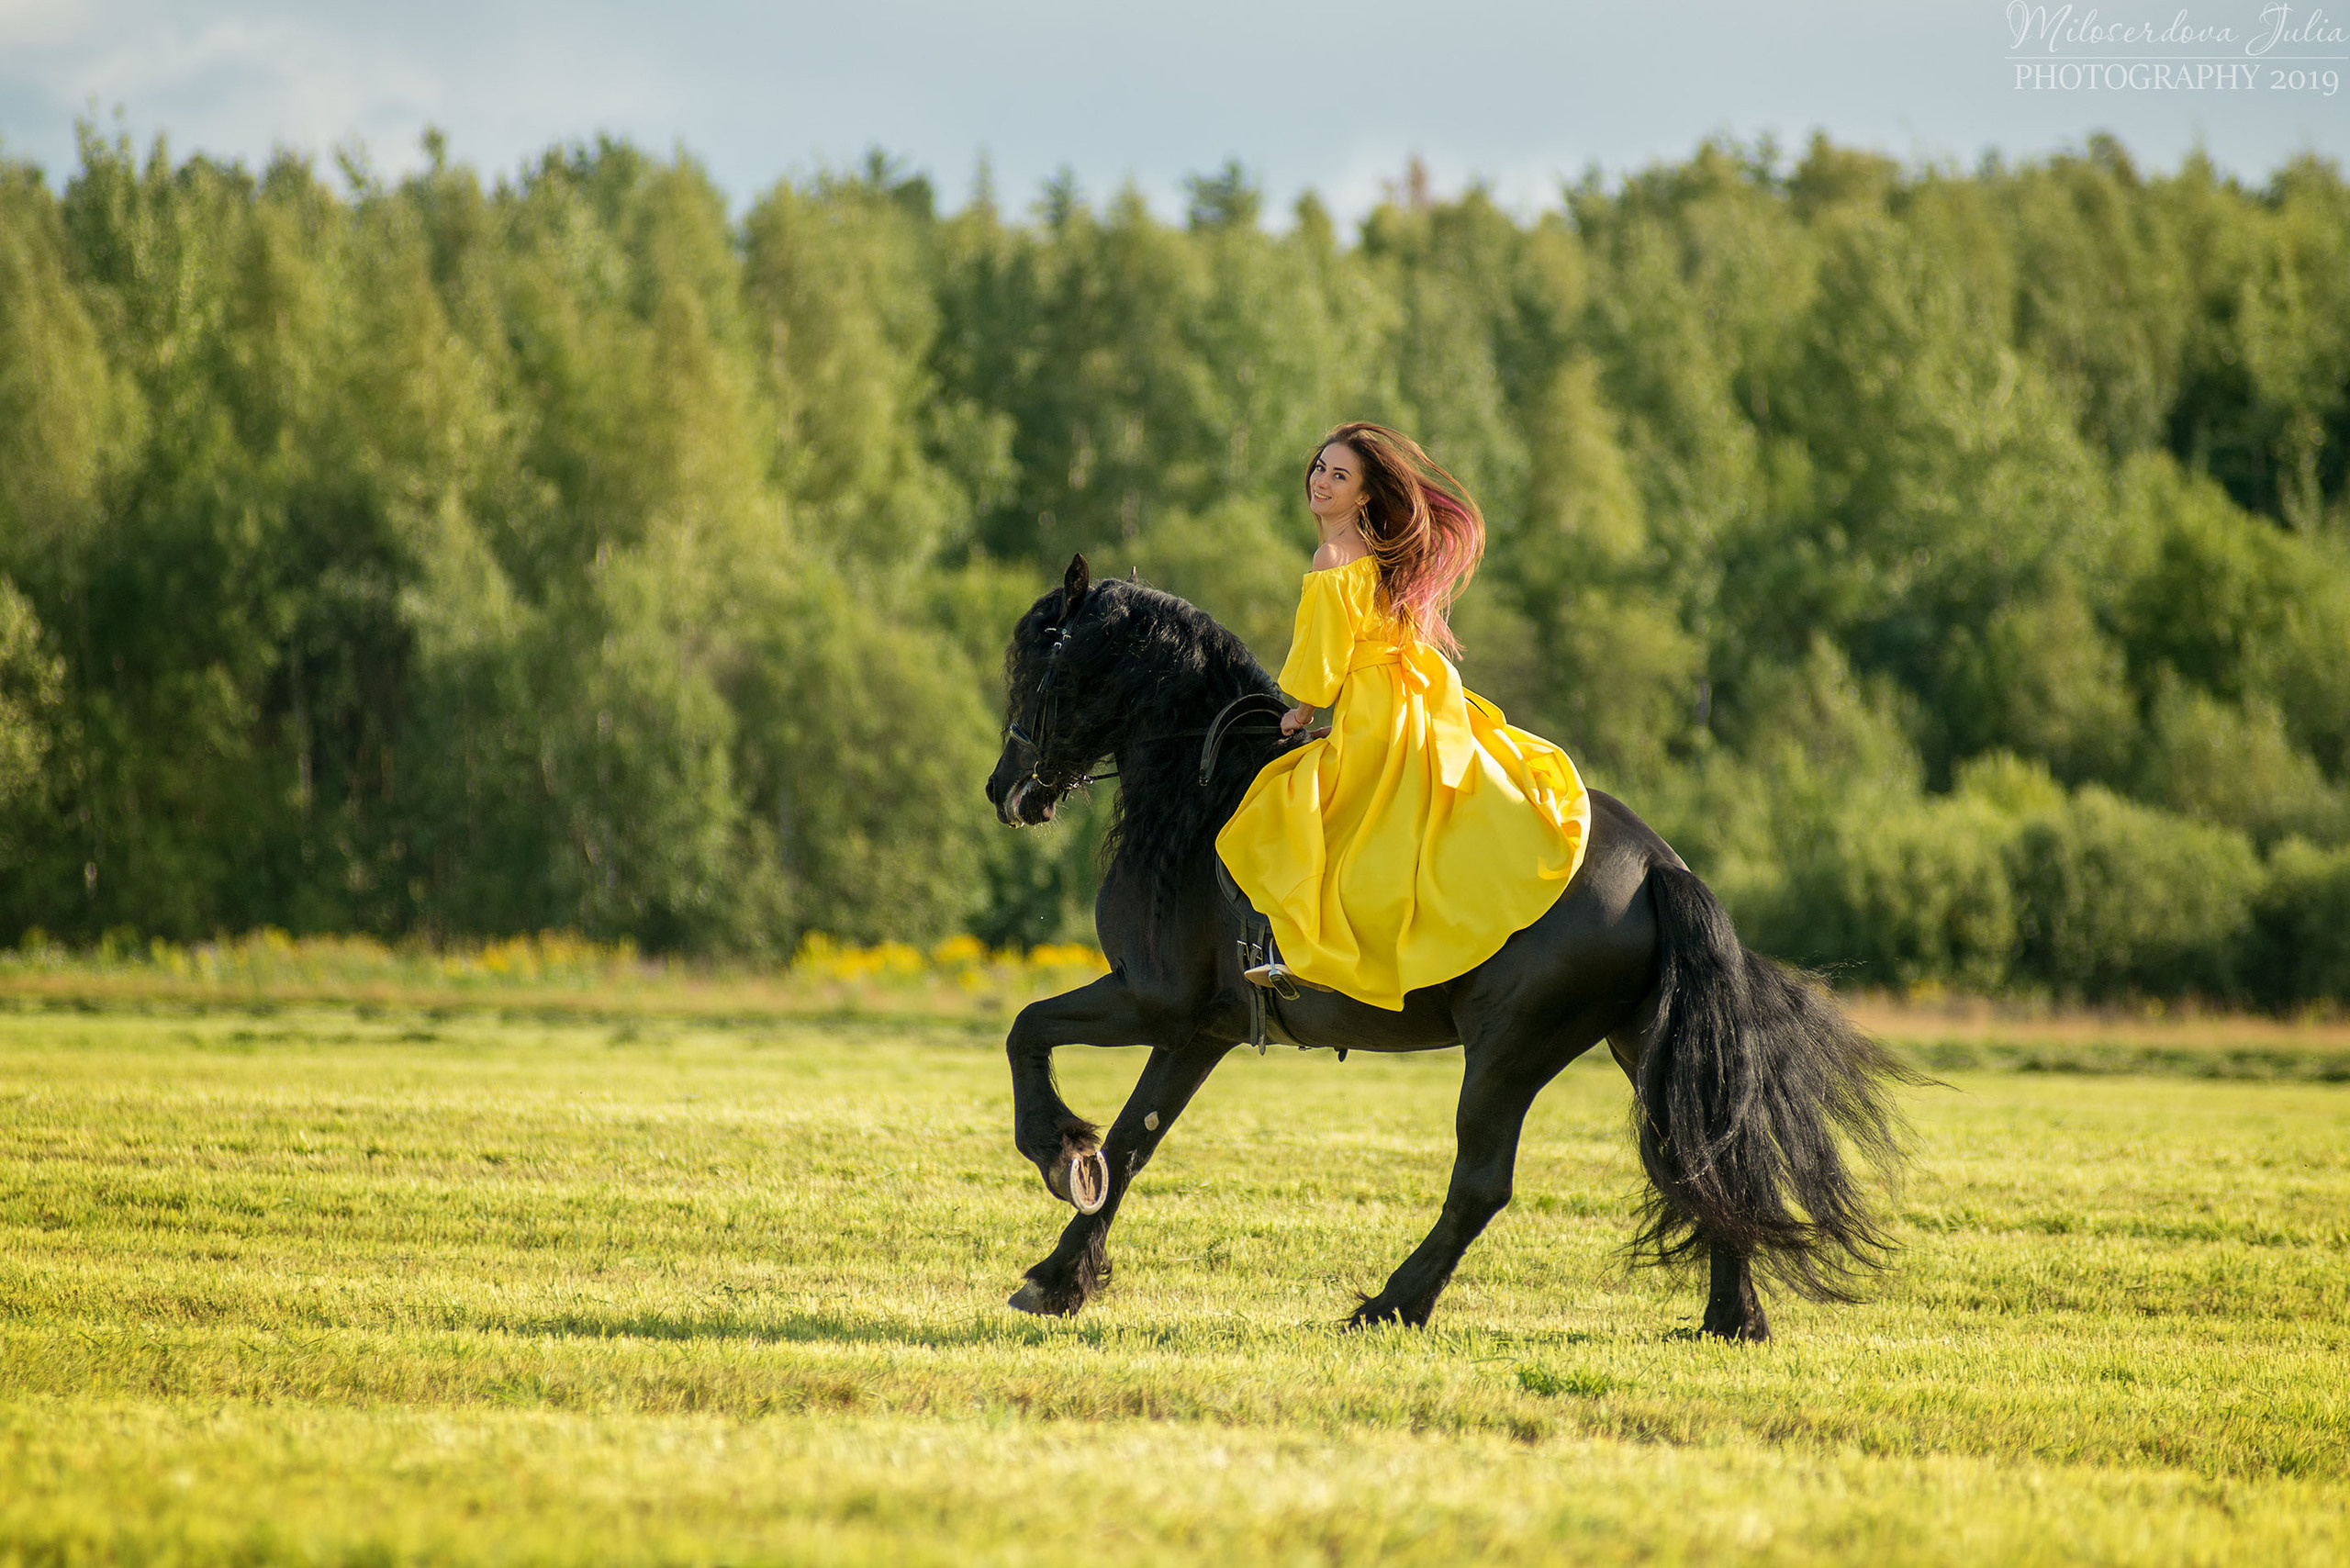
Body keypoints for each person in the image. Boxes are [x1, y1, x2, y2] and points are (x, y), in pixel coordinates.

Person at [1214, 422, 1591, 1010]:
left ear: (1364, 495)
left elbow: (1325, 655)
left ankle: (1310, 953)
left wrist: (1300, 710)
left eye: (1341, 476)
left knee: (1298, 810)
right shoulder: (1377, 552)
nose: (1323, 481)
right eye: (1320, 467)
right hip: (1411, 696)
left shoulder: (1334, 554)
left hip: (1377, 706)